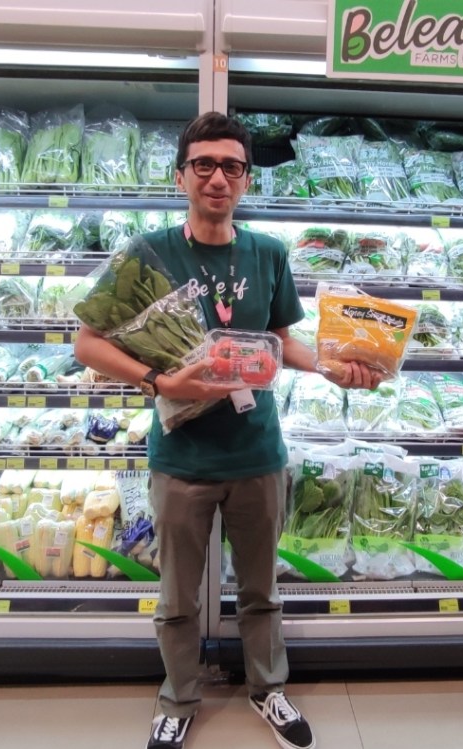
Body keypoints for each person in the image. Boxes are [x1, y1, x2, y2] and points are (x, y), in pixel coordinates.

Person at [74, 112, 381, 749]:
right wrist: (160, 382)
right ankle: (178, 698)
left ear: (246, 179)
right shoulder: (147, 252)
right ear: (181, 176)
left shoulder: (268, 252)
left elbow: (281, 340)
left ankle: (269, 690)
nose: (218, 178)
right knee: (177, 597)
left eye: (232, 166)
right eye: (205, 165)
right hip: (181, 456)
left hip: (256, 452)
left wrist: (331, 368)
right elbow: (87, 343)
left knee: (261, 591)